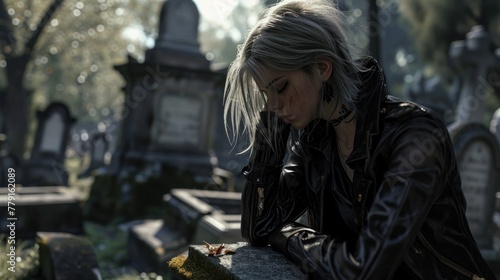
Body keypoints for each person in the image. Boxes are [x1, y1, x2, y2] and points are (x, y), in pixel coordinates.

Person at [223, 0, 497, 279]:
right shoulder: (315, 144)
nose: (273, 106)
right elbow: (258, 225)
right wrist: (271, 131)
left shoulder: (417, 135)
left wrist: (289, 234)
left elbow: (365, 269)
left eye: (280, 87)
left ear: (322, 67)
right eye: (265, 94)